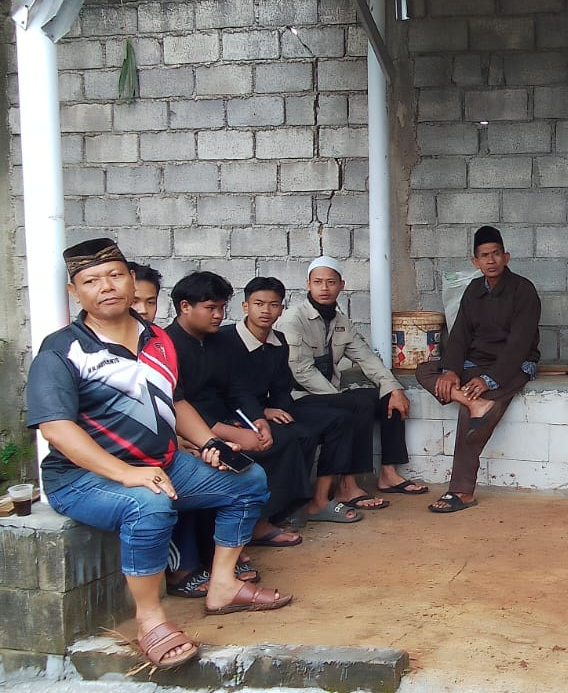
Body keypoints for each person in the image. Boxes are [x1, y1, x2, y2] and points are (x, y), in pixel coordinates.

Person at [27, 239, 291, 671]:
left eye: (115, 276)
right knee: (148, 504)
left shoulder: (158, 339)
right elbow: (56, 427)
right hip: (81, 478)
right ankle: (150, 620)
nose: (106, 287)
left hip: (163, 463)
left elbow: (176, 400)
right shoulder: (63, 349)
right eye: (91, 281)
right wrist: (126, 473)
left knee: (247, 480)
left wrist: (208, 442)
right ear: (75, 293)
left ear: (131, 281)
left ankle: (223, 586)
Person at [165, 271, 311, 547]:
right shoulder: (167, 345)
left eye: (222, 308)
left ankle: (262, 520)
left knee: (282, 438)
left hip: (227, 417)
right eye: (211, 308)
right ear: (185, 307)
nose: (219, 315)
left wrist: (257, 420)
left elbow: (237, 388)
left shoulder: (220, 341)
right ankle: (234, 536)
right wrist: (226, 432)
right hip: (189, 429)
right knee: (238, 456)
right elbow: (176, 403)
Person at [277, 256, 427, 511]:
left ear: (341, 285)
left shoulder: (340, 322)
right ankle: (347, 485)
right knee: (356, 404)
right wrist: (339, 397)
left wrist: (393, 388)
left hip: (327, 394)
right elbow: (301, 371)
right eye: (318, 282)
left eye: (331, 282)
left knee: (386, 397)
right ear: (308, 285)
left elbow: (367, 358)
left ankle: (389, 473)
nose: (324, 288)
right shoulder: (294, 320)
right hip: (299, 397)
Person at [218, 277, 364, 525]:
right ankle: (282, 509)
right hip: (236, 414)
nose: (266, 311)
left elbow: (281, 387)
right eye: (258, 304)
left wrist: (279, 410)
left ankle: (319, 501)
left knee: (339, 419)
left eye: (273, 305)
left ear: (281, 309)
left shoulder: (279, 341)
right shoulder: (226, 340)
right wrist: (262, 412)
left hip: (270, 409)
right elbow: (229, 390)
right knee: (299, 435)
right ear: (245, 307)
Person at [415, 225, 541, 513]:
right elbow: (459, 335)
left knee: (471, 418)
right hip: (475, 364)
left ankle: (462, 491)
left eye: (496, 254)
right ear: (476, 262)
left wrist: (488, 379)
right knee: (425, 371)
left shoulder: (523, 290)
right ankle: (473, 402)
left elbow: (520, 343)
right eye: (484, 255)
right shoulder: (473, 290)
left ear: (506, 257)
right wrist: (450, 370)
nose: (491, 260)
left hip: (512, 366)